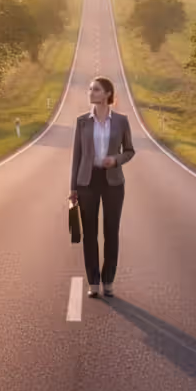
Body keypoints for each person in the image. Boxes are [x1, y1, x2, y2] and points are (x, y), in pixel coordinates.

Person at [68, 76, 136, 298]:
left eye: (95, 89)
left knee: (111, 233)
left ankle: (108, 281)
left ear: (107, 94)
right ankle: (93, 282)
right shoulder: (82, 122)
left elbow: (129, 151)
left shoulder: (121, 121)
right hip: (87, 182)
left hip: (113, 182)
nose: (91, 92)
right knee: (90, 234)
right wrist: (73, 189)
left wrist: (115, 160)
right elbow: (76, 156)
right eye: (89, 89)